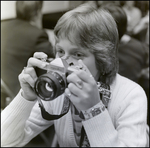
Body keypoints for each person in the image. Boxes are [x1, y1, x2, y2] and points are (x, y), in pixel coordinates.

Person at [1, 3, 148, 147]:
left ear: (103, 58)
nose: (64, 63)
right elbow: (4, 140)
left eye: (77, 54)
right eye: (60, 51)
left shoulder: (131, 96)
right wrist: (26, 98)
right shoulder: (58, 91)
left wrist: (93, 109)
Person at [1, 1, 55, 107]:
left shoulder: (3, 25)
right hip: (22, 96)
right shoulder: (37, 34)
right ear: (38, 12)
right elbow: (52, 64)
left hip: (4, 91)